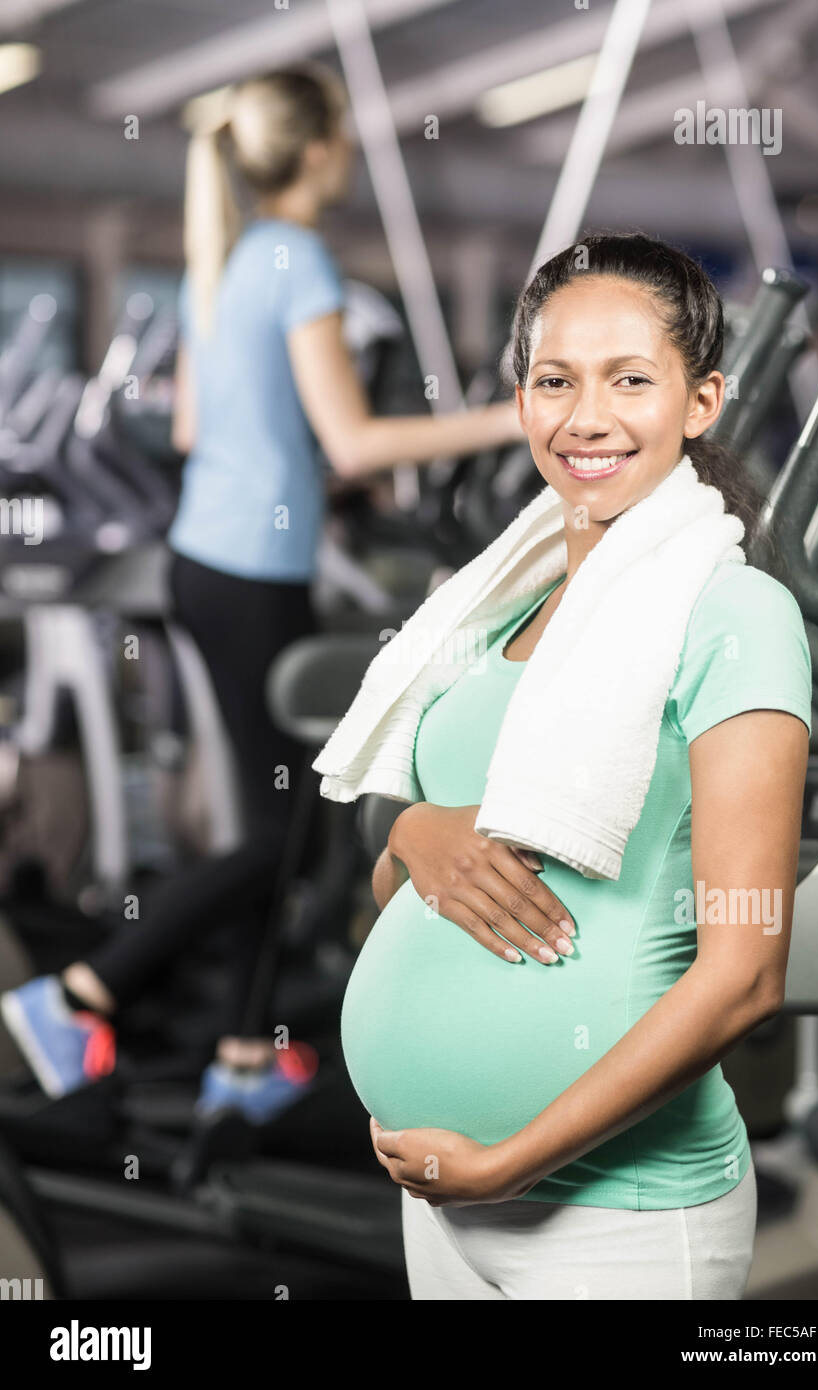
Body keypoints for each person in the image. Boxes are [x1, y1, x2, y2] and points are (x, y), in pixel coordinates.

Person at [0, 62, 523, 1120]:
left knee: (274, 818)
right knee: (286, 831)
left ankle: (242, 1054)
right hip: (252, 571)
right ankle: (81, 989)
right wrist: (517, 416)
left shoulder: (225, 260)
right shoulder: (295, 258)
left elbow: (201, 431)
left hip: (212, 559)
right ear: (323, 149)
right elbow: (356, 435)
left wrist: (302, 461)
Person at [333, 231, 813, 1299]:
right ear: (520, 400)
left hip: (614, 1215)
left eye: (628, 380)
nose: (583, 417)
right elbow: (406, 879)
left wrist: (511, 1161)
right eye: (553, 380)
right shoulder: (491, 603)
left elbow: (743, 979)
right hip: (438, 1195)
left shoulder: (733, 613)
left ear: (699, 401)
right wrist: (411, 831)